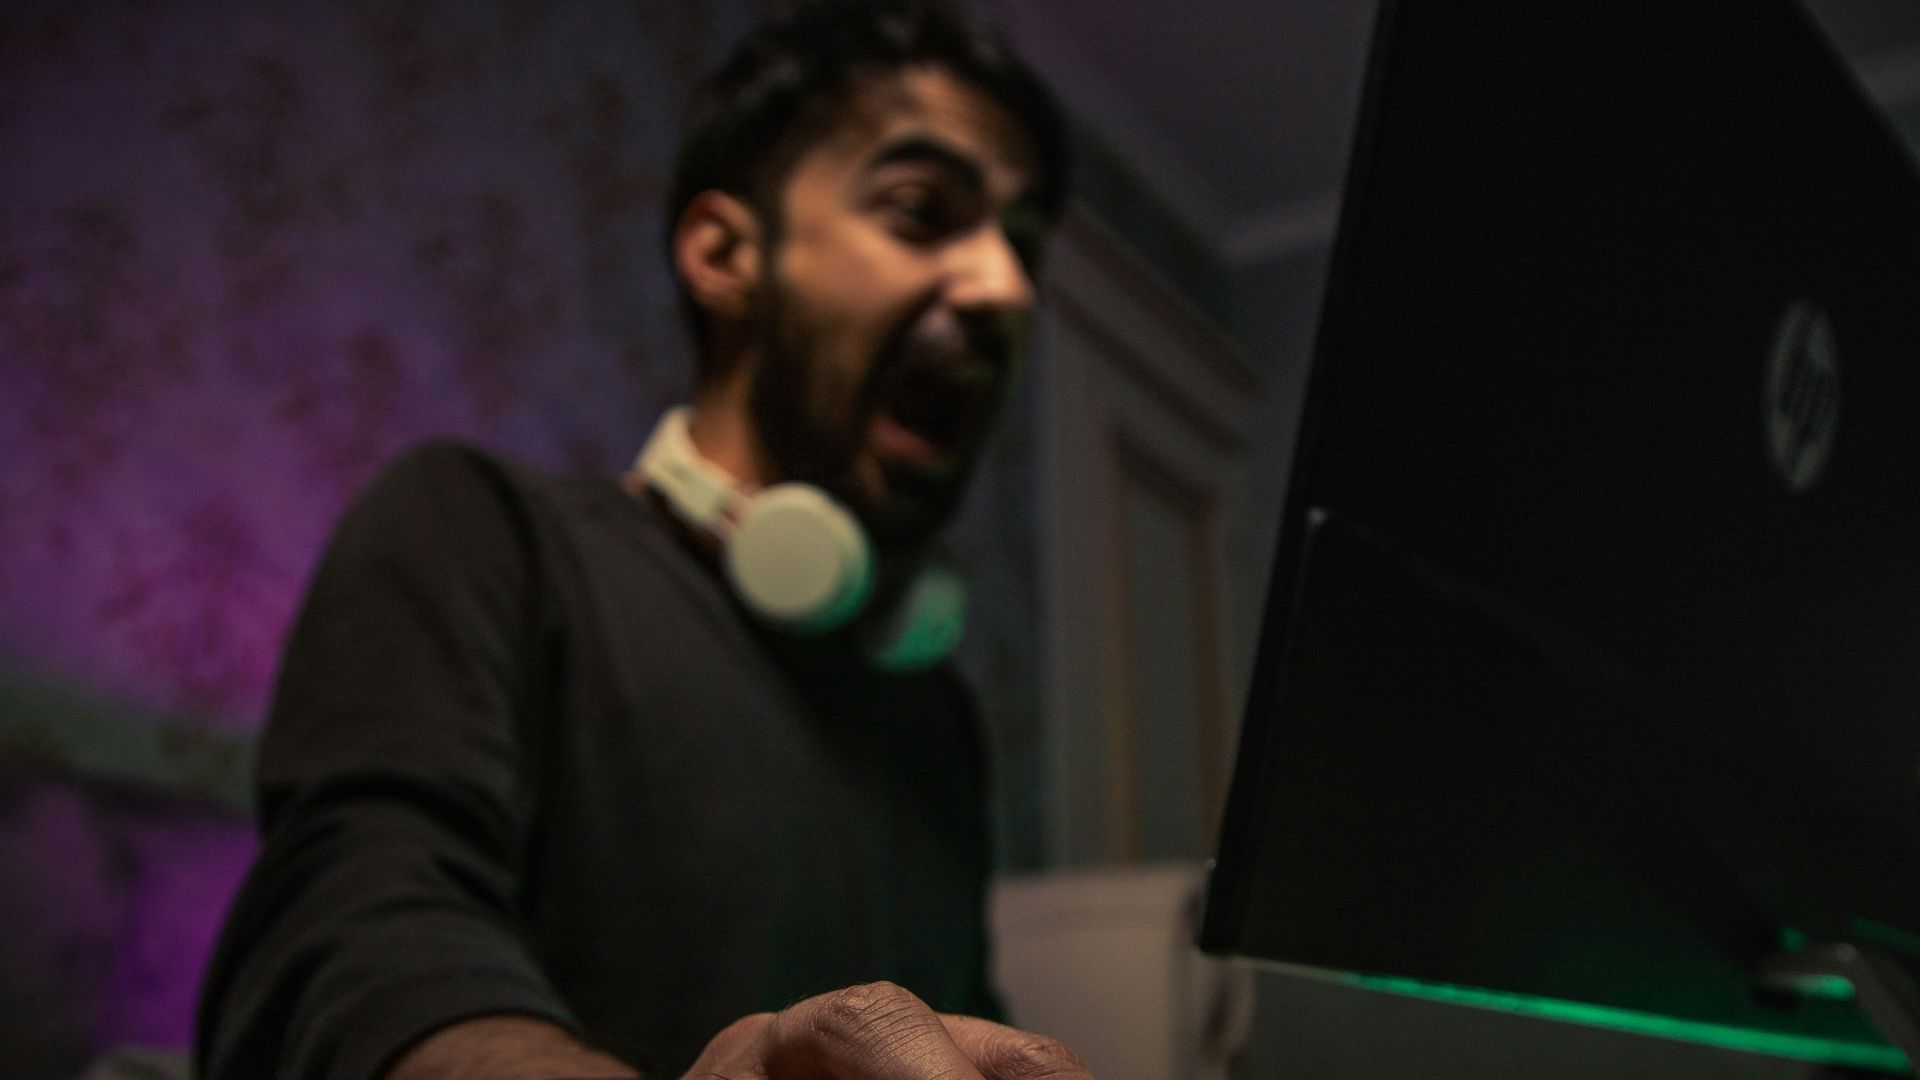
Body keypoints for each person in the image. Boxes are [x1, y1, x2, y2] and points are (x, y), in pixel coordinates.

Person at [194, 1, 1091, 1078]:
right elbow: (361, 936)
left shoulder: (934, 716)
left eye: (1023, 244)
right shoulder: (481, 534)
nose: (1005, 289)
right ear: (724, 253)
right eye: (920, 211)